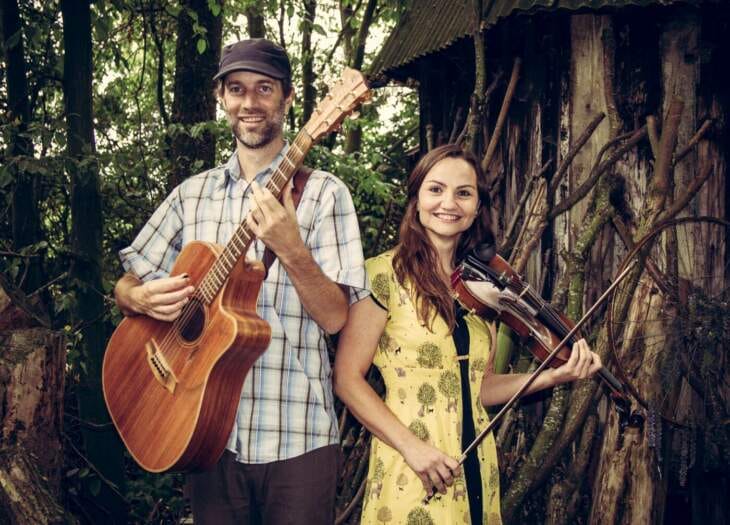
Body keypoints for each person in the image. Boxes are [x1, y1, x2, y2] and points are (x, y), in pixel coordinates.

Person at [113, 38, 368, 524]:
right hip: (207, 433)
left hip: (299, 437)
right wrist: (140, 297)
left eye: (264, 89)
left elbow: (336, 319)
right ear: (222, 99)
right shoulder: (193, 195)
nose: (249, 103)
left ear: (289, 99)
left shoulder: (325, 195)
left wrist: (292, 248)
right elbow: (125, 283)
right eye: (237, 89)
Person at [334, 144, 602, 524]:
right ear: (417, 199)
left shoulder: (481, 288)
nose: (449, 203)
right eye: (436, 189)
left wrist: (552, 376)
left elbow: (481, 388)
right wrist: (413, 449)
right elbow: (347, 379)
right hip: (412, 466)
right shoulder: (382, 275)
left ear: (477, 207)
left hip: (477, 465)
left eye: (464, 193)